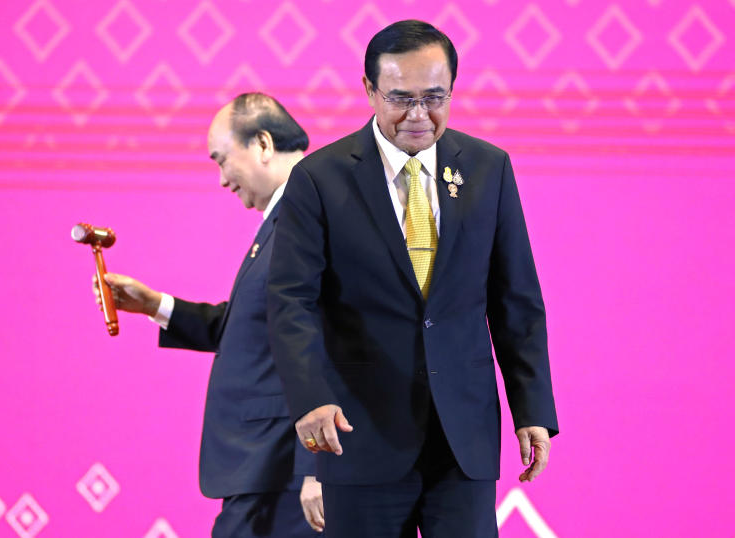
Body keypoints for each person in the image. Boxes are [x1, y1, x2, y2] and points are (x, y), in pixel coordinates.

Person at [266, 20, 559, 537]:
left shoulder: (489, 169)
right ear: (369, 90)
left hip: (462, 440)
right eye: (401, 98)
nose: (419, 115)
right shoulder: (319, 178)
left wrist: (531, 407)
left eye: (434, 97)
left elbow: (515, 300)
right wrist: (310, 398)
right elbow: (292, 303)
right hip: (358, 434)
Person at [92, 93, 324, 537]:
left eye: (222, 160)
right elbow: (256, 328)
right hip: (263, 471)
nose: (221, 179)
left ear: (262, 143)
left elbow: (328, 342)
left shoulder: (309, 217)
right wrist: (154, 305)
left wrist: (318, 468)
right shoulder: (289, 216)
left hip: (283, 470)